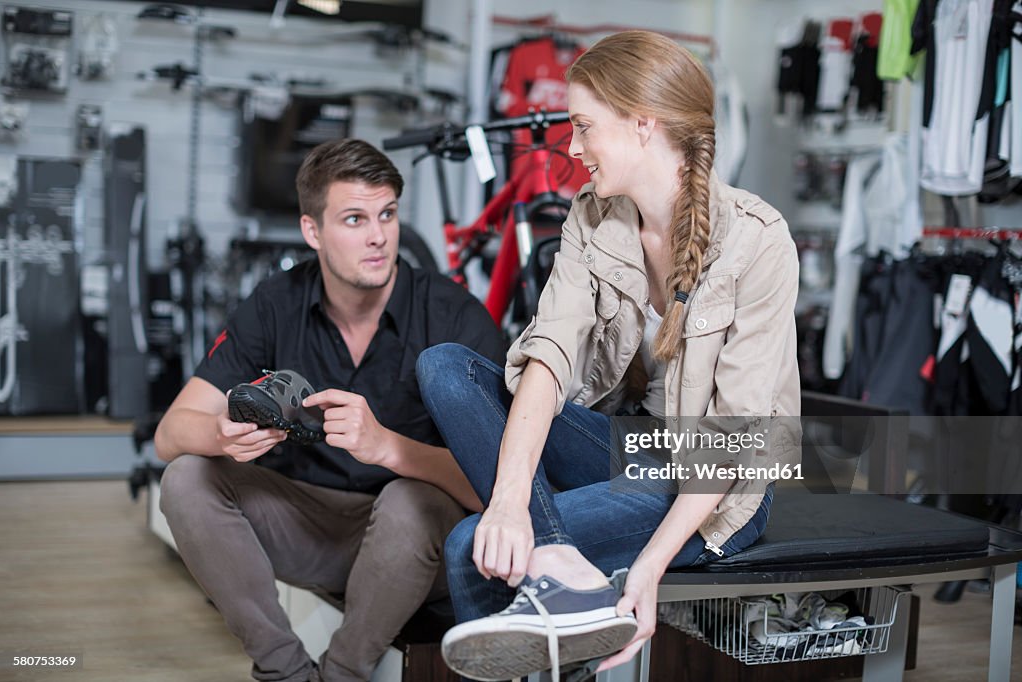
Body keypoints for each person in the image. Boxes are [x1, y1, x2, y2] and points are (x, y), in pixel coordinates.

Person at [416, 30, 801, 681]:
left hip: (718, 483)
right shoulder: (592, 217)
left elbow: (730, 443)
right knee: (446, 367)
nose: (571, 147)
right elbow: (551, 355)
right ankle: (561, 568)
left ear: (643, 125)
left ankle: (565, 613)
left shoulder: (758, 242)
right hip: (627, 445)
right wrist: (511, 505)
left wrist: (648, 570)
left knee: (465, 548)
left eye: (583, 126)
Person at [154, 138, 505, 682]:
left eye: (387, 214)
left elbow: (505, 485)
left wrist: (388, 447)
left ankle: (342, 674)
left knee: (409, 500)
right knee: (185, 478)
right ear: (312, 231)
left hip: (418, 544)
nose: (378, 236)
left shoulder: (454, 316)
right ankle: (286, 673)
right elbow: (170, 432)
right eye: (354, 218)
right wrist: (223, 436)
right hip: (310, 526)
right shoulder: (276, 303)